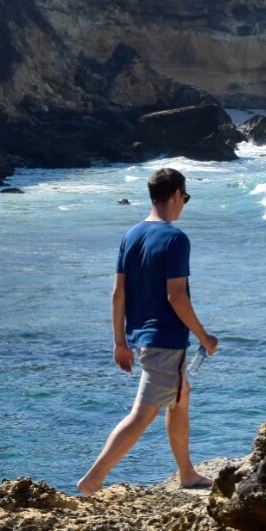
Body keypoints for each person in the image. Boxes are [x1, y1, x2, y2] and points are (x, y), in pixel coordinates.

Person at [78, 167, 218, 494]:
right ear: (176, 195)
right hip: (166, 338)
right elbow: (176, 296)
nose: (184, 204)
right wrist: (203, 336)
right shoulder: (175, 239)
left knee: (180, 397)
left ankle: (186, 473)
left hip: (141, 337)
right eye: (185, 197)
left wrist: (119, 342)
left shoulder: (131, 235)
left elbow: (118, 293)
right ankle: (93, 479)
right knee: (142, 414)